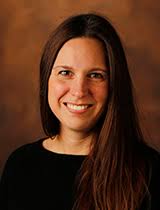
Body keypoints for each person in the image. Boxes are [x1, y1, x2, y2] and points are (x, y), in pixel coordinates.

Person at [0, 13, 160, 210]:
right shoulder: (19, 166)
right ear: (46, 79)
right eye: (65, 73)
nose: (79, 91)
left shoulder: (150, 171)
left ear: (115, 86)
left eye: (95, 75)